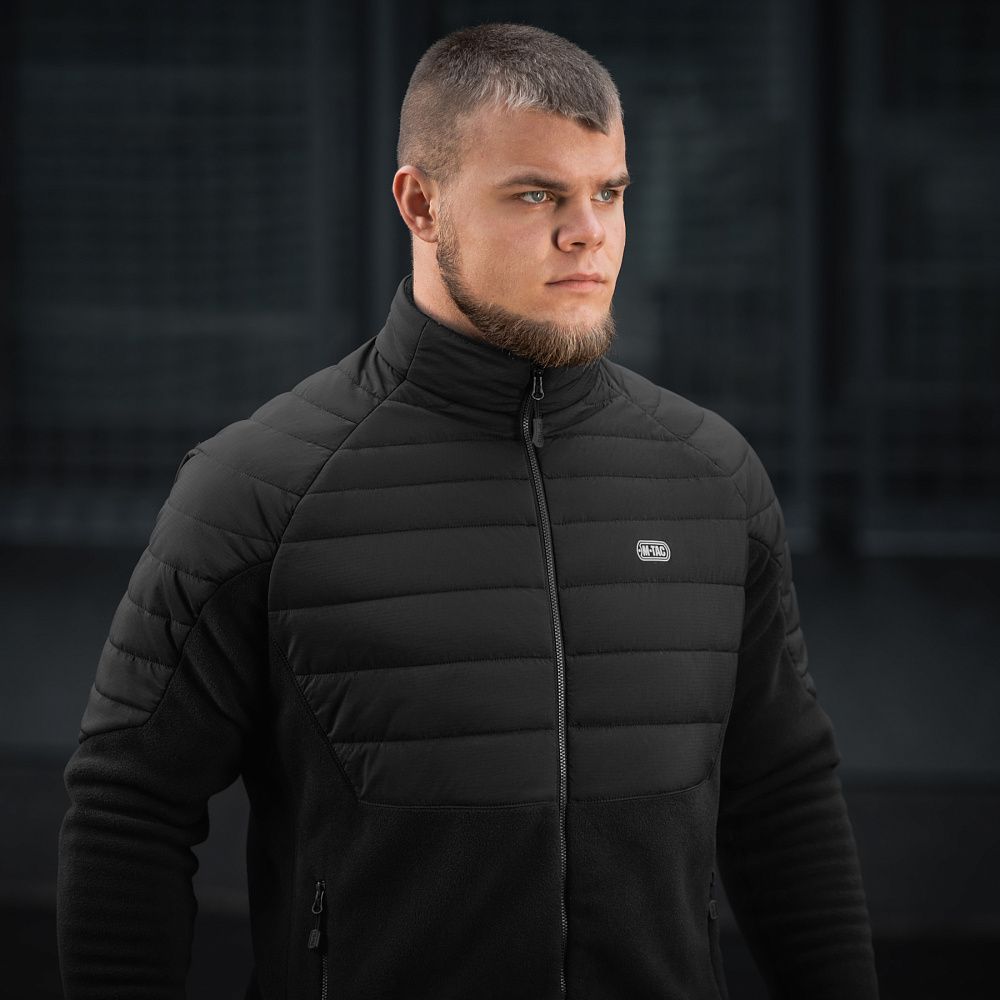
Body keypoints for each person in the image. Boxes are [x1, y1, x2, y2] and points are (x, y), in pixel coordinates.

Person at [57, 22, 879, 1000]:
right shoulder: (260, 487)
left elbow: (781, 795)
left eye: (608, 192)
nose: (588, 233)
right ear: (421, 203)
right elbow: (129, 810)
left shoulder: (711, 476)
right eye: (536, 195)